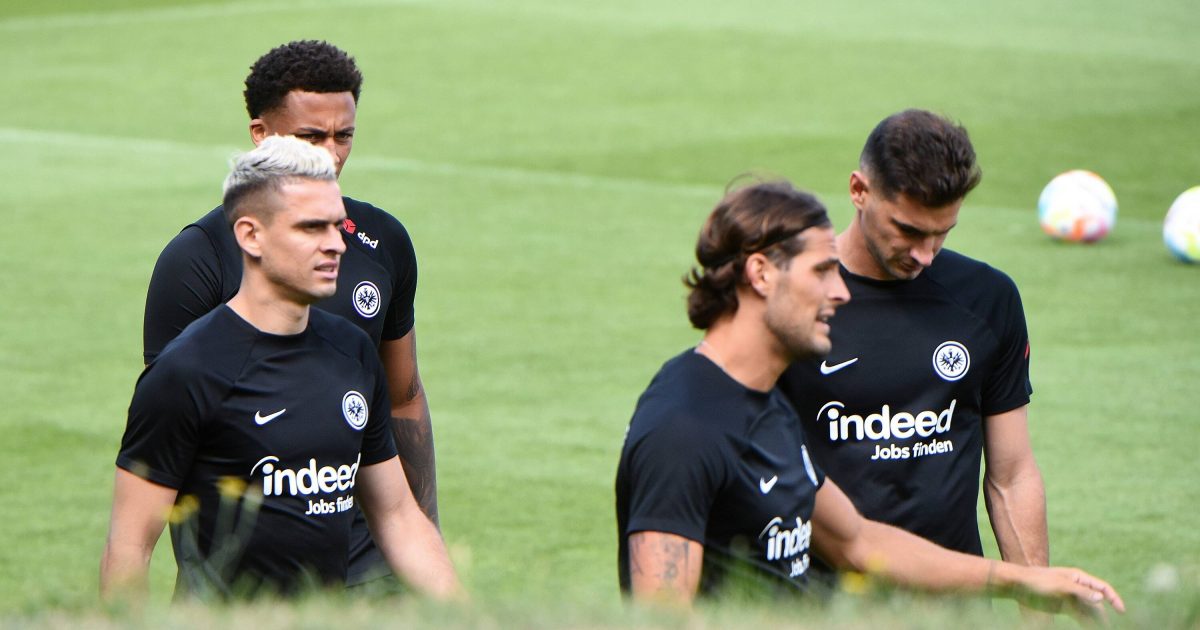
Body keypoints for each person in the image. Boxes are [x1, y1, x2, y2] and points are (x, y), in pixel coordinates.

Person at [614, 180, 1122, 617]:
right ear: (761, 273)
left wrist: (1025, 580)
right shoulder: (684, 425)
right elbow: (661, 621)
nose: (842, 292)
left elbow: (860, 542)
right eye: (821, 272)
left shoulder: (766, 407)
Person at [102, 136, 460, 601]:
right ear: (251, 235)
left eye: (336, 226)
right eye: (311, 228)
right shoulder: (187, 371)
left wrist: (467, 616)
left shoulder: (352, 353)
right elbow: (130, 546)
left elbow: (397, 516)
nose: (335, 245)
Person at [141, 40, 437, 586]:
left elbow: (403, 397)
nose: (331, 154)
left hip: (368, 560)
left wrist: (421, 532)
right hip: (243, 576)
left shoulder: (382, 242)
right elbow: (171, 425)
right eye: (311, 136)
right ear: (261, 135)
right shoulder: (196, 260)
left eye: (343, 135)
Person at [777, 110, 1048, 574]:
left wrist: (1037, 609)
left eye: (943, 233)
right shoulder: (793, 301)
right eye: (909, 230)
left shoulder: (987, 299)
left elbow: (1012, 475)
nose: (925, 254)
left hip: (953, 607)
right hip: (822, 607)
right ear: (859, 191)